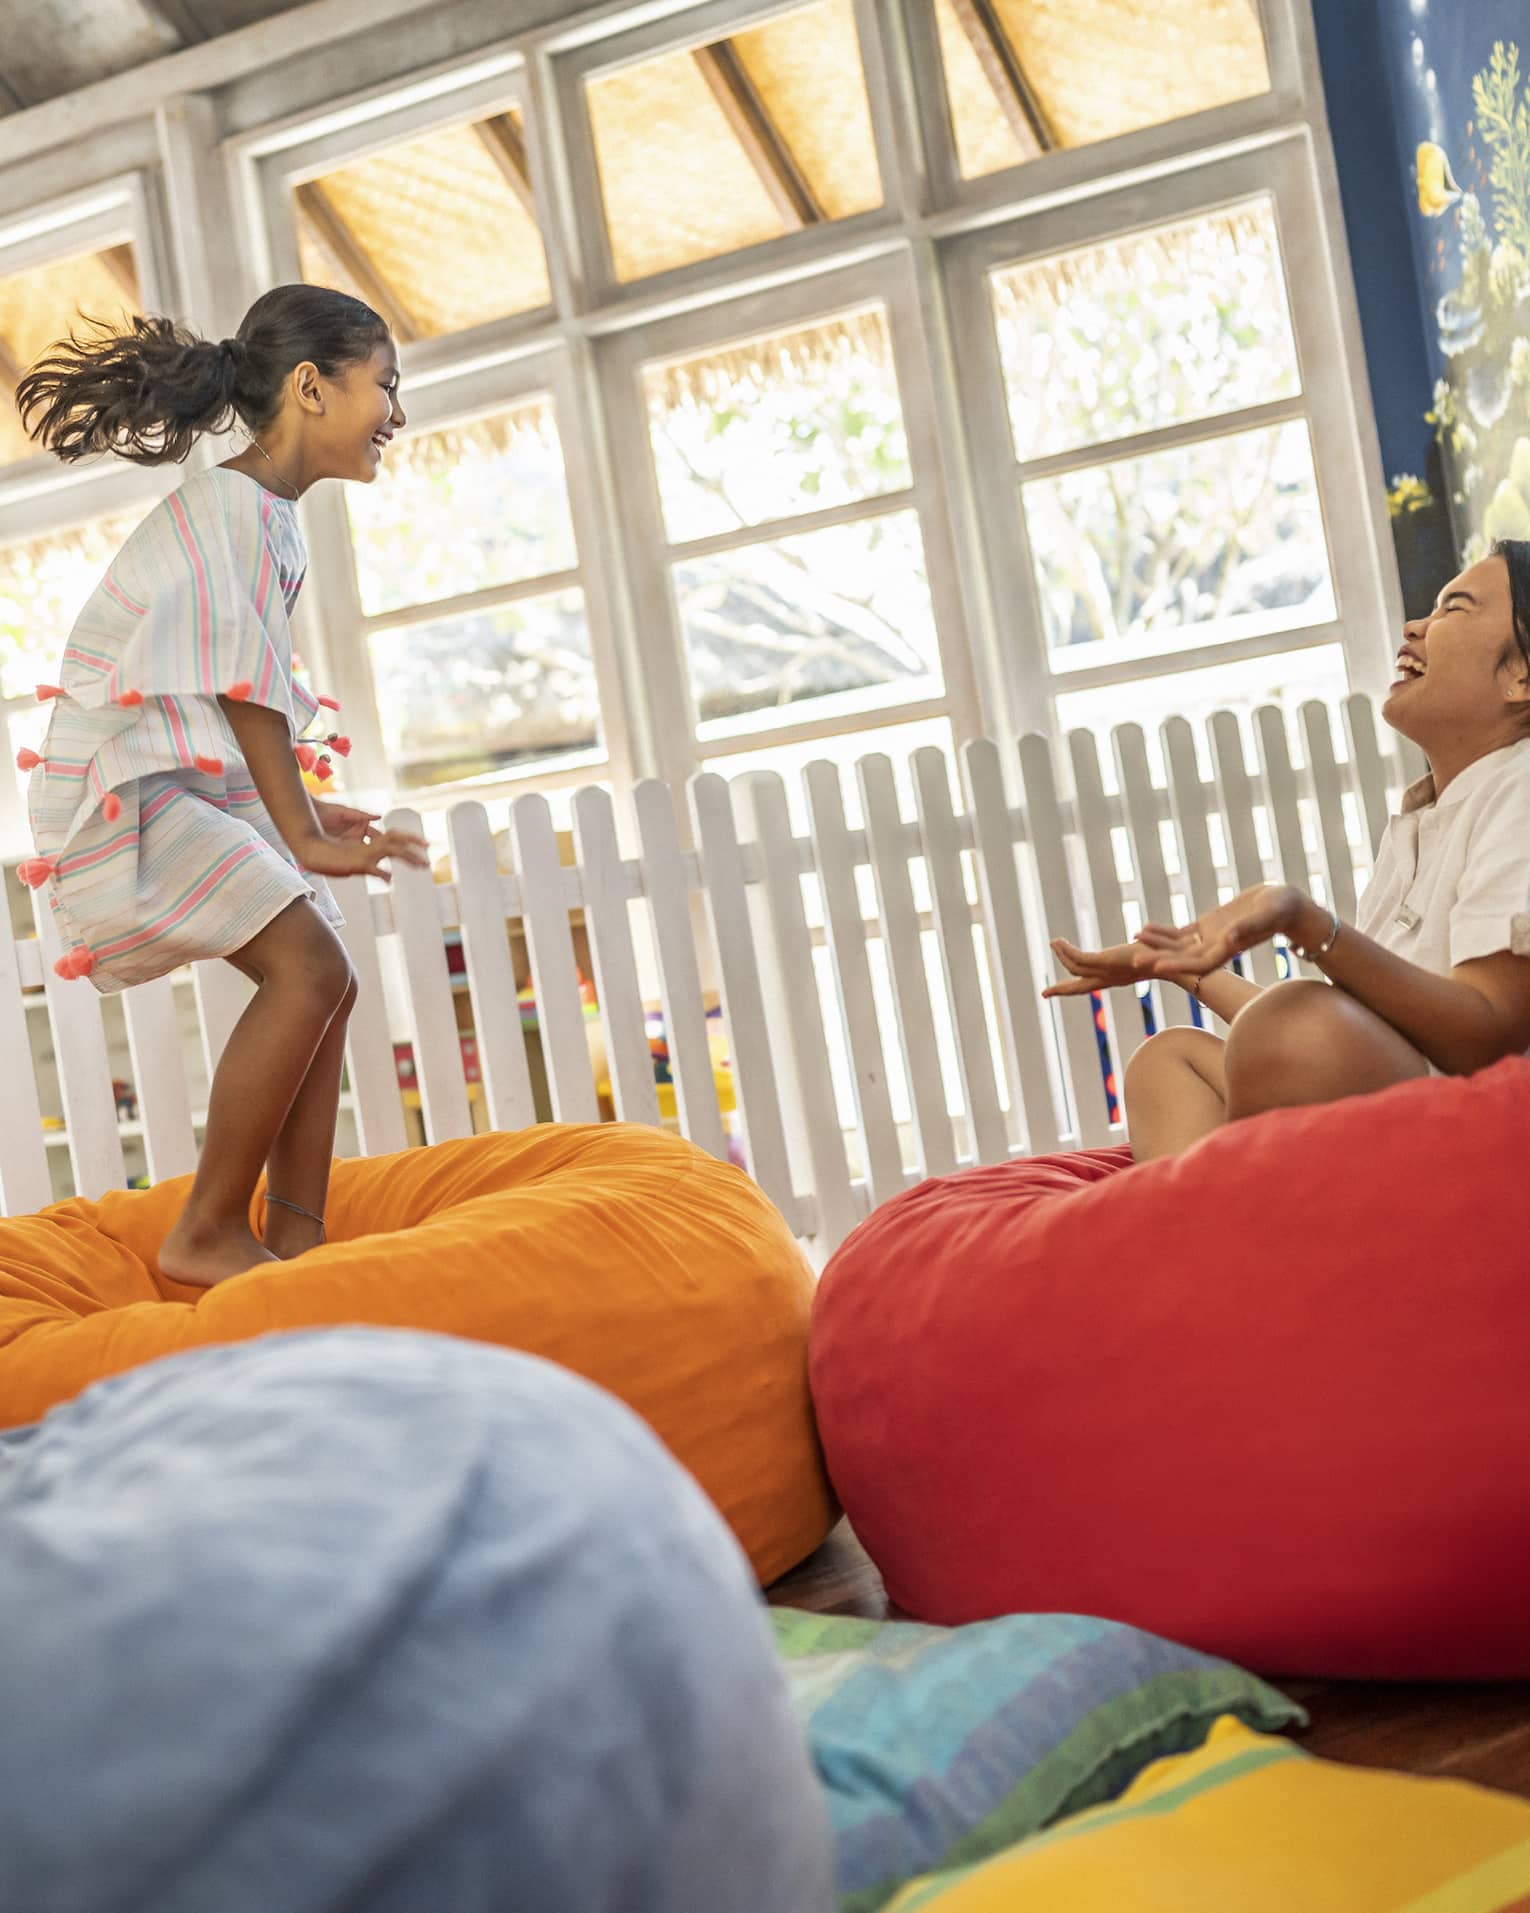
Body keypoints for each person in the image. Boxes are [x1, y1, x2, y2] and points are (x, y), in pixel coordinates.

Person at [15, 285, 429, 1284]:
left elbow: (219, 687)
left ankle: (293, 1235)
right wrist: (301, 830)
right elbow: (244, 683)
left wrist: (301, 808)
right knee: (313, 970)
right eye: (385, 386)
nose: (399, 416)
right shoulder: (238, 508)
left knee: (326, 974)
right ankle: (206, 1228)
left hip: (176, 782)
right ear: (310, 387)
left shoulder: (264, 514)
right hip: (130, 797)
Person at [1043, 539, 1530, 1162]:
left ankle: (1236, 1234)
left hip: (1474, 1131)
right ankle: (1212, 1249)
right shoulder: (1425, 816)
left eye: (1453, 609)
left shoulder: (1518, 788)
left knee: (1299, 1019)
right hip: (1393, 1097)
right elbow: (1336, 1040)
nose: (1414, 627)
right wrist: (1183, 967)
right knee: (1170, 1060)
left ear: (1522, 676)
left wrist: (1301, 918)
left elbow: (1484, 1037)